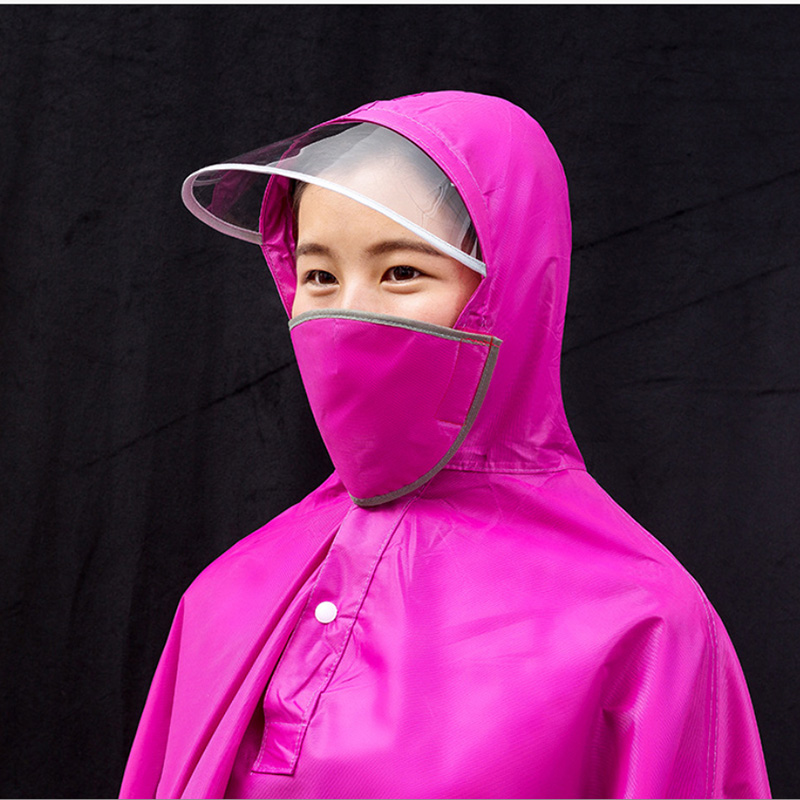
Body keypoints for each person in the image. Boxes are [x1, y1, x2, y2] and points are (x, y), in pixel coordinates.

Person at [120, 91, 770, 798]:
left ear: (507, 291)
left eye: (401, 271)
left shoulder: (643, 624)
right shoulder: (224, 594)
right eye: (319, 276)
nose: (348, 313)